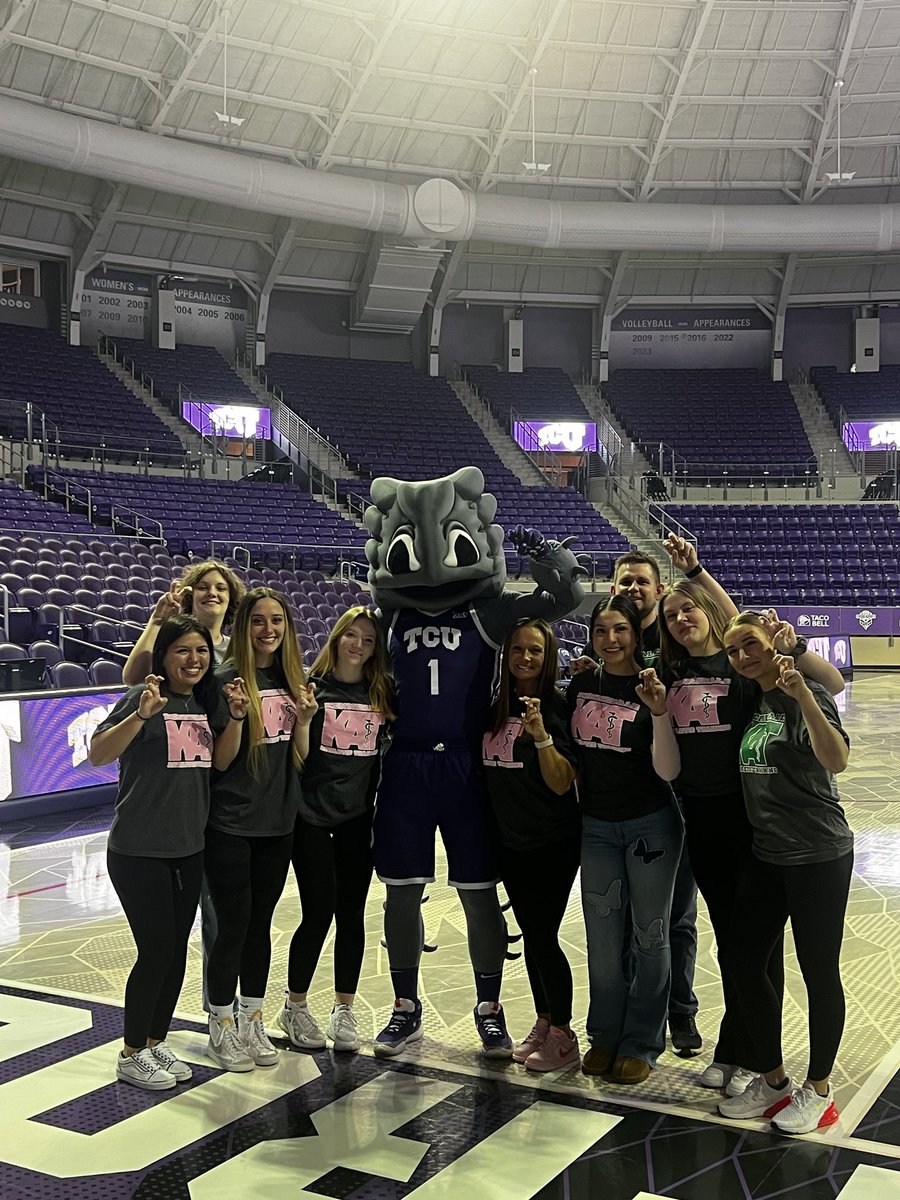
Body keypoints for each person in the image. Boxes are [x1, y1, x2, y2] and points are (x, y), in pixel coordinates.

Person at [363, 467, 585, 1061]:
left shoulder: (489, 616)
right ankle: (405, 1007)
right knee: (401, 893)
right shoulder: (392, 619)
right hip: (406, 766)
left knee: (478, 892)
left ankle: (490, 1008)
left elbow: (566, 595)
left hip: (467, 767)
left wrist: (541, 548)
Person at [657, 583, 846, 1097]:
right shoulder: (676, 674)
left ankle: (778, 1068)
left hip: (786, 840)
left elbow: (833, 735)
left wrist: (696, 571)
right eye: (670, 614)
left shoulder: (752, 678)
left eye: (688, 607)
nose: (680, 618)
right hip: (718, 829)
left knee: (791, 960)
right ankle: (758, 1061)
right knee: (739, 948)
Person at [89, 615, 243, 1091]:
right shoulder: (143, 698)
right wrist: (140, 716)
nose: (194, 660)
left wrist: (235, 719)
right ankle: (131, 1050)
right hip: (139, 850)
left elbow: (220, 760)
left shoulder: (200, 704)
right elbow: (98, 753)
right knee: (155, 951)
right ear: (164, 656)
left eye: (201, 651)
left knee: (175, 952)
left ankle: (155, 1040)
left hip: (187, 848)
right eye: (182, 651)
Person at [717, 612, 851, 1135]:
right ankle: (771, 1079)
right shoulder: (753, 702)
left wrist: (804, 698)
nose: (742, 656)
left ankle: (818, 1089)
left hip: (819, 853)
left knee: (819, 971)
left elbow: (836, 760)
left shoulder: (807, 692)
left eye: (750, 644)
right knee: (743, 959)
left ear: (773, 642)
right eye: (733, 651)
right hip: (766, 855)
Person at [569, 594, 682, 1085]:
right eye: (601, 631)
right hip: (595, 827)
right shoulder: (580, 682)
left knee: (650, 935)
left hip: (650, 824)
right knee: (601, 939)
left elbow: (667, 768)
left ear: (637, 635)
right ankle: (605, 1034)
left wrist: (658, 711)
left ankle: (642, 1040)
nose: (610, 640)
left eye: (620, 630)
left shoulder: (657, 685)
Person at [205, 587, 317, 1072]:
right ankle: (221, 1024)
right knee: (232, 926)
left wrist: (306, 721)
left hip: (278, 822)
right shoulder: (225, 679)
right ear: (241, 626)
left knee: (260, 926)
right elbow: (221, 761)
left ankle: (252, 1017)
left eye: (276, 621)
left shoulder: (295, 681)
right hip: (230, 822)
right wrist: (234, 717)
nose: (268, 630)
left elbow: (300, 757)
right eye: (257, 621)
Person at [279, 606, 395, 1054]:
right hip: (310, 818)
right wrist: (305, 721)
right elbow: (299, 758)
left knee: (352, 914)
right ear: (336, 637)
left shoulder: (381, 693)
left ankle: (344, 1007)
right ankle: (296, 1004)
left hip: (356, 819)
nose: (358, 645)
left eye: (368, 640)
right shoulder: (312, 690)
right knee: (318, 911)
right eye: (352, 636)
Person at [482, 618, 580, 1072]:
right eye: (517, 649)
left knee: (543, 938)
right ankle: (544, 1021)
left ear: (549, 656)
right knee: (532, 937)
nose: (525, 658)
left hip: (552, 843)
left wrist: (541, 735)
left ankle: (563, 1033)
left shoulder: (560, 708)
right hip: (509, 842)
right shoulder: (492, 709)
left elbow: (562, 784)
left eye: (535, 651)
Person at [122, 559, 245, 683]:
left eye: (221, 588)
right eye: (203, 587)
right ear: (190, 596)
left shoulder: (237, 648)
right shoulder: (172, 641)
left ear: (231, 597)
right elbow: (133, 680)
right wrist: (157, 621)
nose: (212, 593)